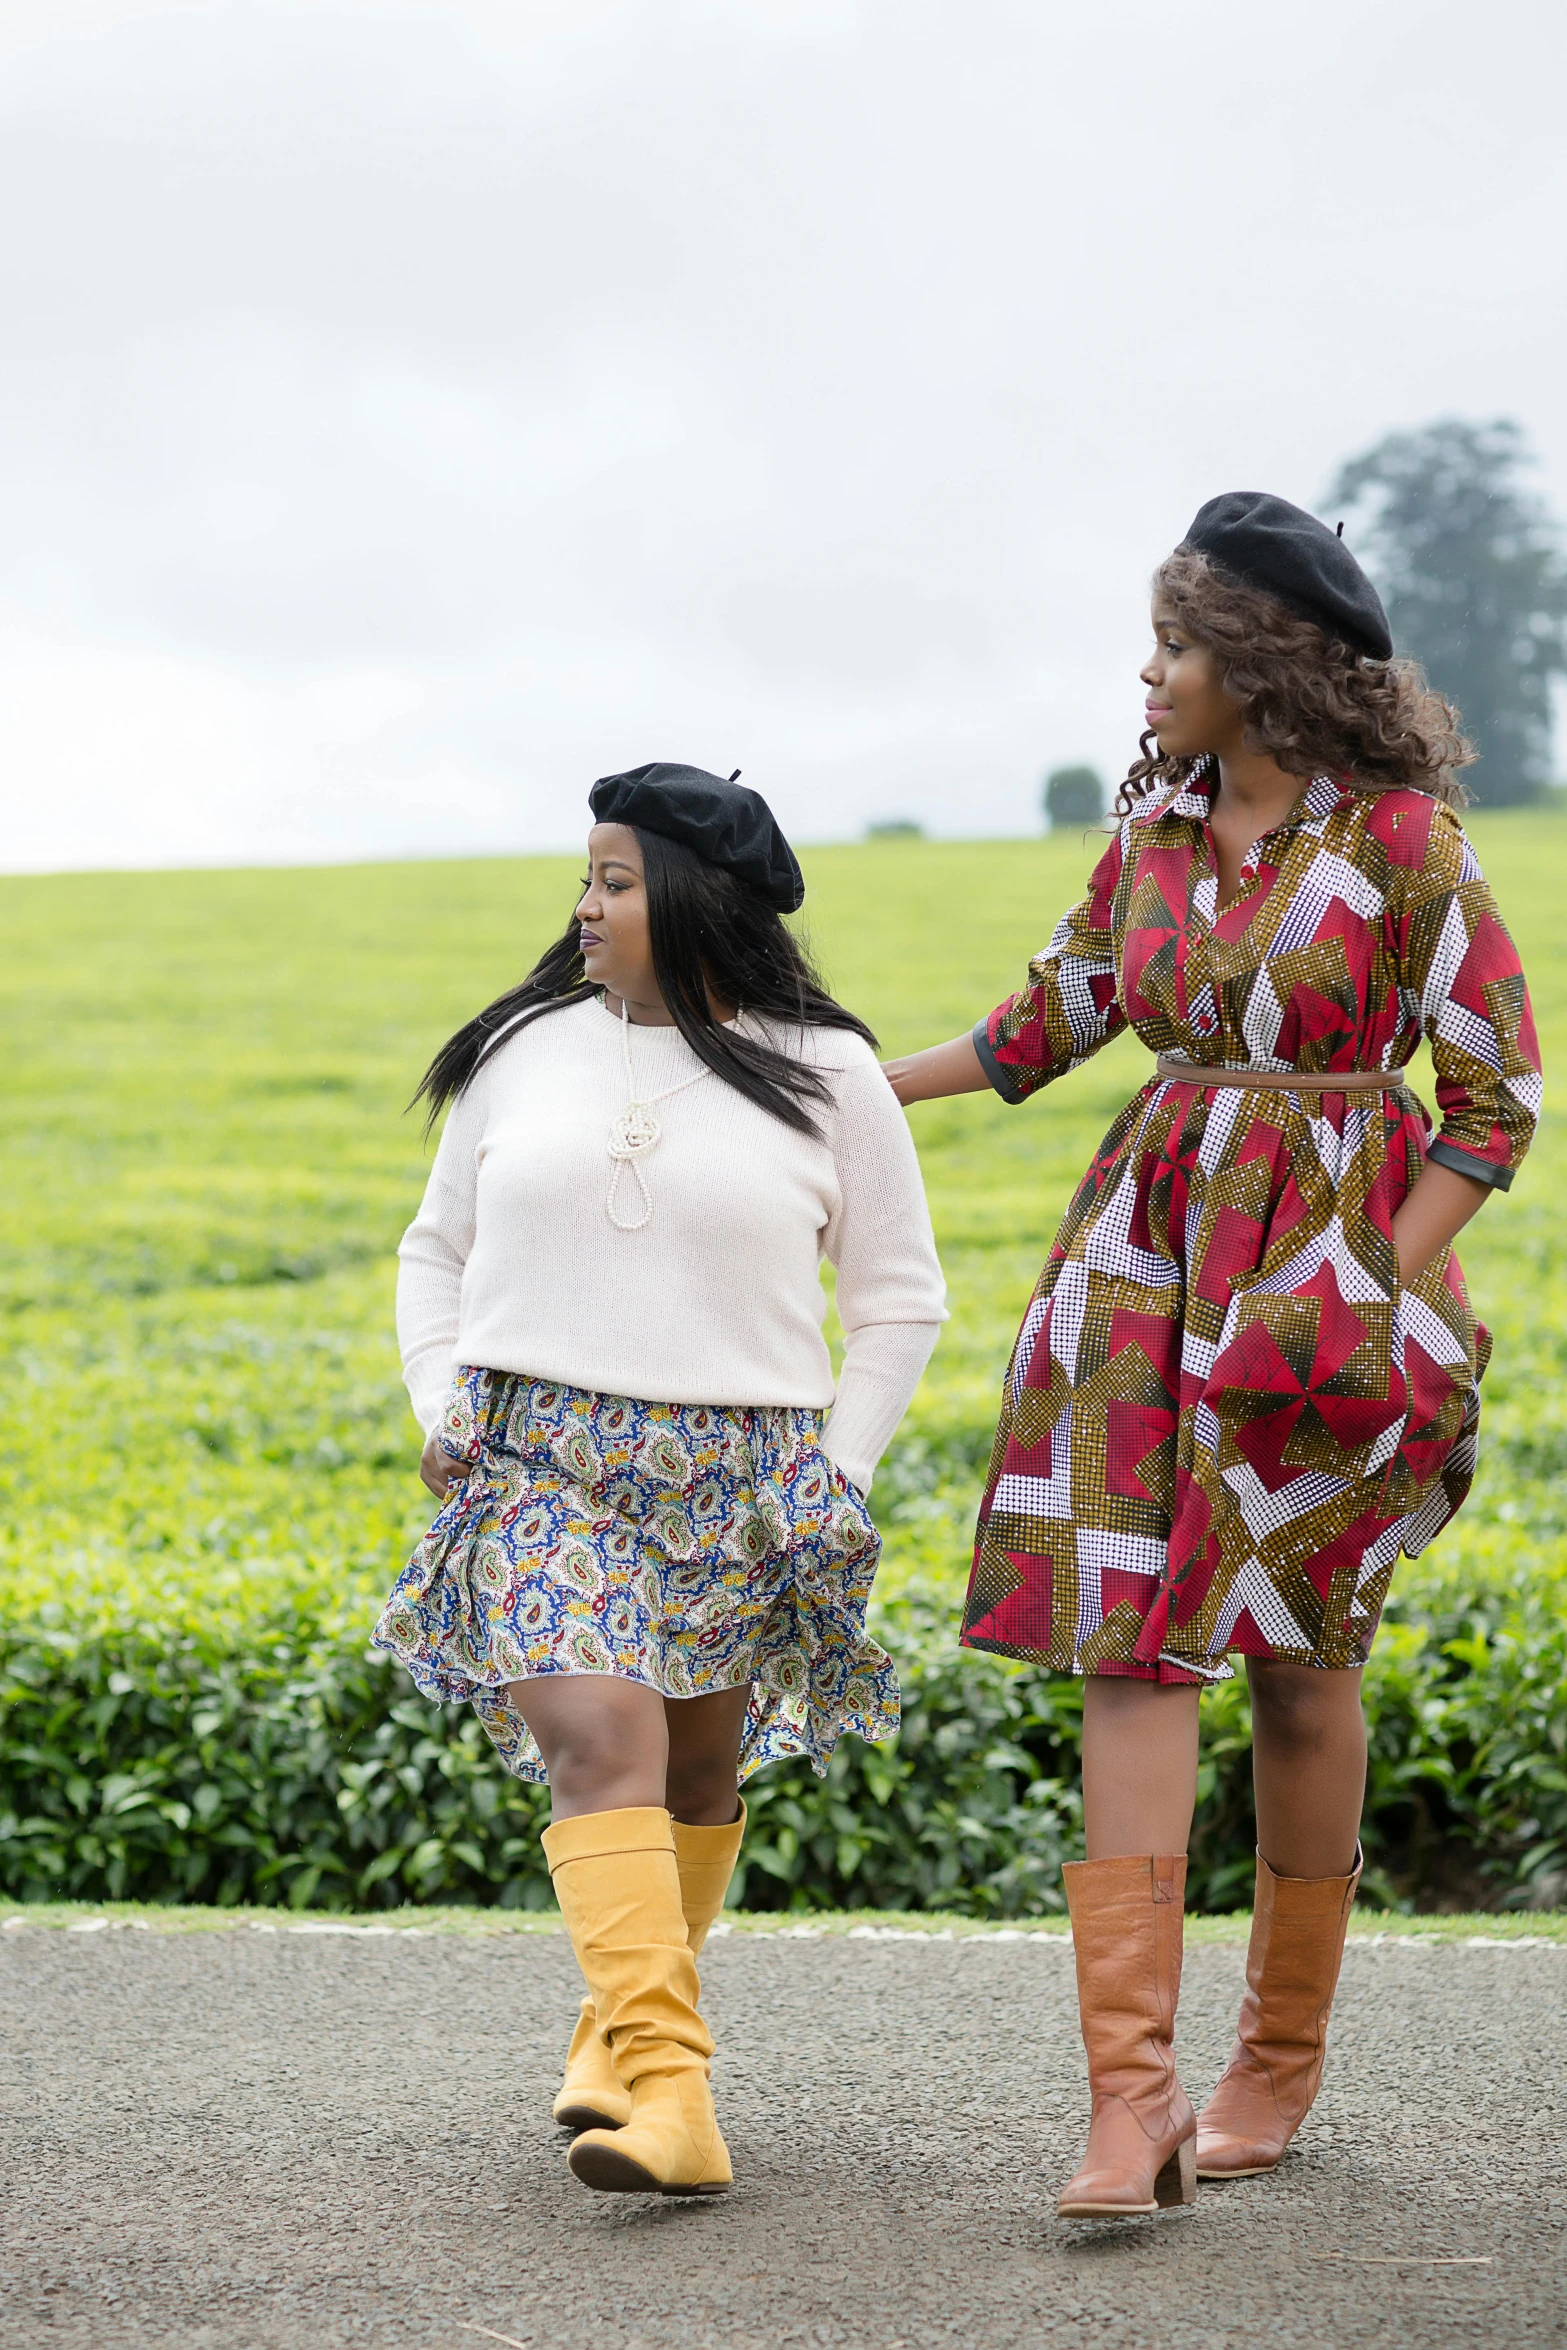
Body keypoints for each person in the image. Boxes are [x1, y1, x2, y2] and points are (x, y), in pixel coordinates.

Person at [885, 493, 1540, 2221]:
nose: (1150, 673)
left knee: (1301, 1661)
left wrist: (1366, 1285)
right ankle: (1129, 2101)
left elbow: (1494, 1102)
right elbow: (1053, 1014)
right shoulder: (1153, 830)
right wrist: (844, 1085)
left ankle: (1274, 2059)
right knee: (1129, 1644)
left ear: (1254, 658)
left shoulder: (1403, 843)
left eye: (1176, 642)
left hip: (1324, 1284)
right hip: (1140, 1272)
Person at [374, 762, 945, 2197]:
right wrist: (441, 1399)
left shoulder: (828, 1069)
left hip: (740, 1472)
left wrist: (838, 1470)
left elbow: (897, 1298)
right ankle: (678, 2101)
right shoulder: (525, 1047)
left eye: (614, 880)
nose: (584, 906)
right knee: (597, 1735)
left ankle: (612, 2037)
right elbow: (432, 1251)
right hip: (540, 1462)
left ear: (694, 896)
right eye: (584, 876)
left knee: (695, 1769)